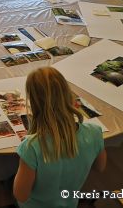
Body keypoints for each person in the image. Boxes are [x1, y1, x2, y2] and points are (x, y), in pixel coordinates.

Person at [13, 67, 106, 208]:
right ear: (68, 95)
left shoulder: (31, 147)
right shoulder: (95, 132)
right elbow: (100, 167)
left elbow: (21, 195)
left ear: (34, 103)